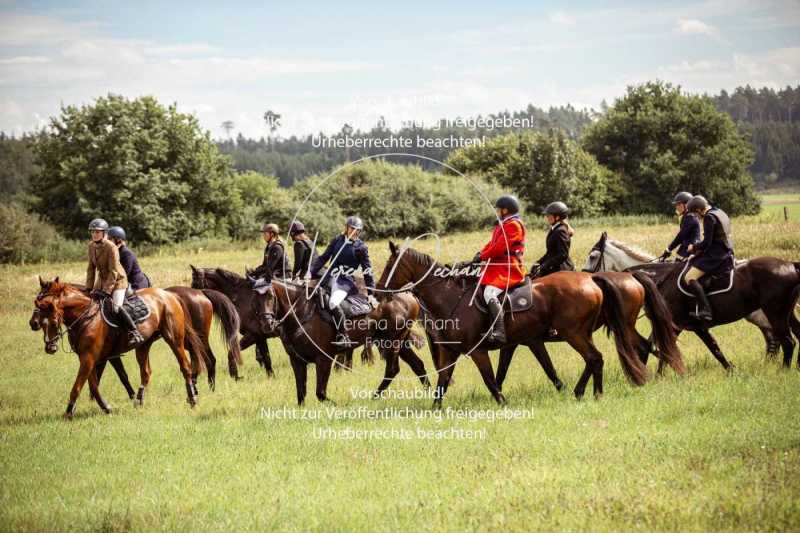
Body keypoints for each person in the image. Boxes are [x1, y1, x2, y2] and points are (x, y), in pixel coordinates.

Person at [310, 216, 378, 346]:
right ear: (346, 228)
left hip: (345, 282)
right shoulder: (337, 240)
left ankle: (343, 335)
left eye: (357, 230)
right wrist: (310, 272)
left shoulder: (361, 248)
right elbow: (323, 258)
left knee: (333, 303)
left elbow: (367, 271)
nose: (354, 231)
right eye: (352, 228)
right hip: (328, 278)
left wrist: (371, 294)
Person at [473, 195, 527, 343]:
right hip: (498, 265)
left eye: (498, 209)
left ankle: (500, 331)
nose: (497, 211)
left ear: (505, 210)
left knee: (489, 293)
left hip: (509, 267)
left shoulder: (514, 225)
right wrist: (480, 253)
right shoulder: (502, 224)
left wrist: (483, 256)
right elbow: (492, 244)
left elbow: (499, 248)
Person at [85, 218, 144, 344]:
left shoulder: (111, 247)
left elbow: (114, 271)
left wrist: (106, 291)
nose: (94, 234)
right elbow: (91, 268)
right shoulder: (91, 246)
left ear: (104, 233)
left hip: (117, 281)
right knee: (92, 305)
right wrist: (88, 288)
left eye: (97, 232)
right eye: (92, 232)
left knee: (116, 307)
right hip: (102, 280)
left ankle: (134, 332)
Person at [684, 195, 735, 322]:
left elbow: (707, 242)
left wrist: (693, 248)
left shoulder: (709, 217)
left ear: (698, 210)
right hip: (727, 251)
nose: (697, 217)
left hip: (716, 255)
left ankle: (706, 310)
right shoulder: (719, 212)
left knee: (689, 277)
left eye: (696, 214)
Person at [532, 201, 575, 278]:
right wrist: (539, 262)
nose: (547, 217)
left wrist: (545, 265)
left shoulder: (561, 231)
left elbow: (563, 255)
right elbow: (550, 253)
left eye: (549, 215)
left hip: (561, 269)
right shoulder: (554, 229)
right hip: (553, 266)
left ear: (557, 217)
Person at [660, 191, 700, 262]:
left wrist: (669, 249)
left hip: (690, 251)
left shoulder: (691, 217)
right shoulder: (685, 216)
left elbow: (680, 236)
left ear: (687, 205)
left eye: (679, 204)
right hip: (684, 249)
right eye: (676, 204)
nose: (676, 207)